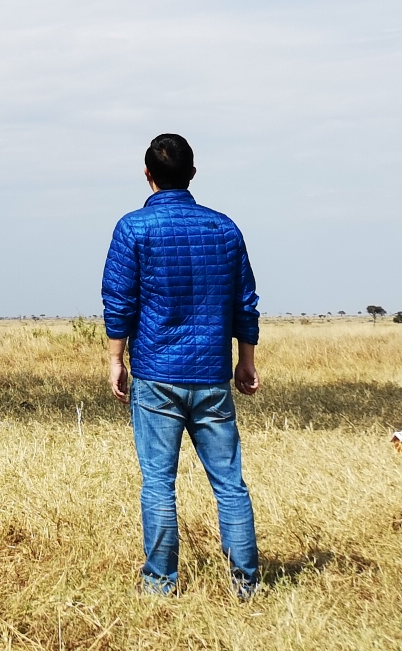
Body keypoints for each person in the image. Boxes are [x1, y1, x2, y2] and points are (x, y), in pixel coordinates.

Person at [101, 133, 261, 598]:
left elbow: (119, 301)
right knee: (230, 483)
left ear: (147, 175)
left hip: (155, 374)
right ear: (192, 174)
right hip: (212, 375)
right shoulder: (224, 229)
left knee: (158, 484)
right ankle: (245, 584)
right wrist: (245, 361)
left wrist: (116, 359)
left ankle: (159, 583)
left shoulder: (133, 229)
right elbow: (245, 302)